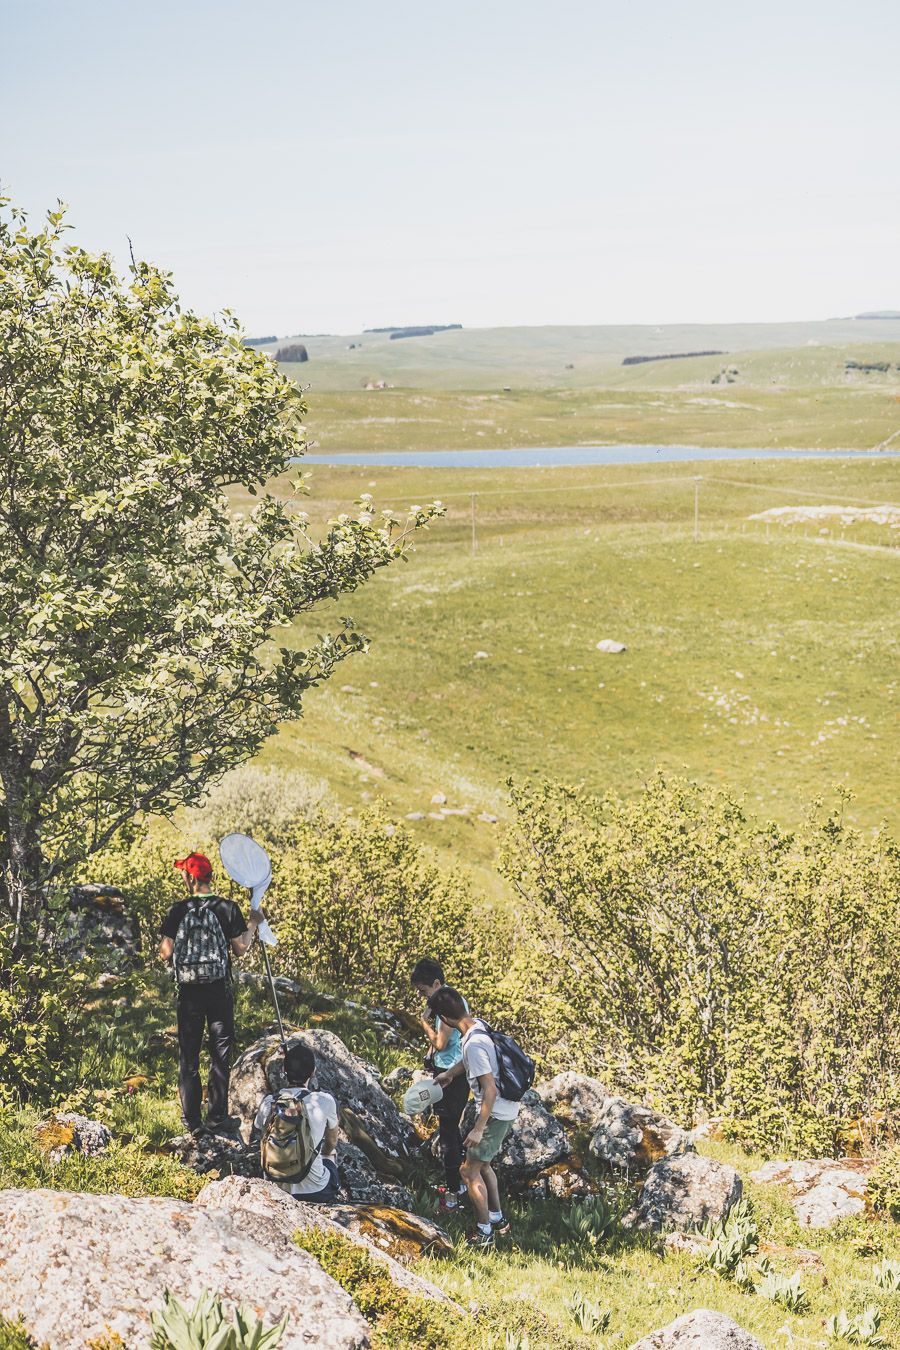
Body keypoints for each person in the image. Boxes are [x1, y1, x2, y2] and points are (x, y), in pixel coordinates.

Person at [158, 851, 263, 1138]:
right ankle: (217, 1117)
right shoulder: (227, 908)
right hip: (219, 992)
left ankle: (192, 1121)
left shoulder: (177, 910)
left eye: (184, 872)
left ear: (190, 878)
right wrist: (254, 922)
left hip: (189, 994)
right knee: (220, 1053)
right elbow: (241, 948)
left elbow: (165, 953)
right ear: (210, 878)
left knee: (189, 1056)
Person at [430, 986, 520, 1249]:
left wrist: (479, 1128)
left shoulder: (472, 1045)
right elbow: (475, 1064)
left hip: (495, 1114)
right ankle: (498, 1219)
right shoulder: (478, 1025)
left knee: (468, 1171)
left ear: (444, 1019)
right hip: (502, 1111)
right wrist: (451, 1073)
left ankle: (484, 1234)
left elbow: (489, 1088)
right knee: (483, 1165)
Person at [410, 958, 470, 1212]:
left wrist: (424, 1021)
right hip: (451, 1071)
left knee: (447, 1134)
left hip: (451, 1074)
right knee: (451, 1130)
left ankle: (454, 1193)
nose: (423, 996)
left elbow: (441, 1044)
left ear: (436, 983)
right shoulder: (452, 1000)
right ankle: (462, 1182)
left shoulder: (445, 1007)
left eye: (424, 990)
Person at [253, 1042, 340, 1203]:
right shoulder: (324, 1101)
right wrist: (326, 1154)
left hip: (274, 1187)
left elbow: (259, 1131)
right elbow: (332, 1141)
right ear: (313, 1072)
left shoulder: (269, 1102)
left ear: (284, 1071)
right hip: (314, 1190)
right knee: (331, 1156)